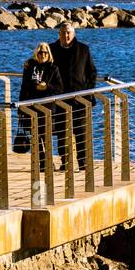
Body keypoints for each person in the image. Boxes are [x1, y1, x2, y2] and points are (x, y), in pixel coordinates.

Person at [49, 22, 97, 170]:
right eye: (63, 32)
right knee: (62, 134)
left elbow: (92, 72)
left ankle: (83, 163)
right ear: (59, 34)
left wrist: (86, 91)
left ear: (74, 33)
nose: (66, 35)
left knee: (81, 133)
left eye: (69, 32)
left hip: (80, 100)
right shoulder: (51, 49)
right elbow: (41, 65)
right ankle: (65, 163)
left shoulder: (84, 49)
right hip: (59, 100)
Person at [16, 42, 63, 156]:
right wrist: (20, 107)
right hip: (32, 106)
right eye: (40, 52)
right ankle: (41, 162)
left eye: (45, 52)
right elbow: (24, 87)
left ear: (49, 54)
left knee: (45, 135)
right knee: (35, 136)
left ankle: (48, 161)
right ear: (36, 53)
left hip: (47, 107)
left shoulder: (53, 68)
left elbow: (59, 88)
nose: (43, 55)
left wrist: (46, 86)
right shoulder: (29, 67)